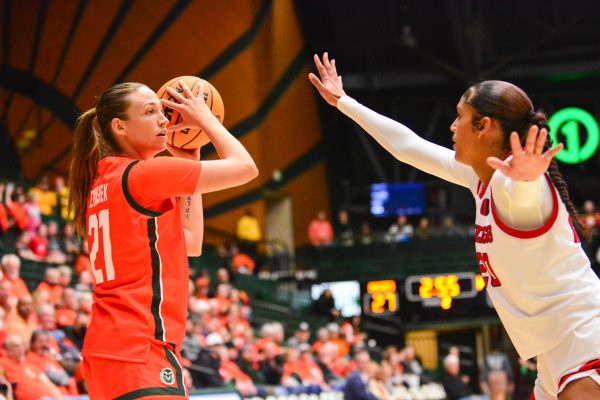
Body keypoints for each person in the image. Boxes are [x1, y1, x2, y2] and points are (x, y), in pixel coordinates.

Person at [309, 52, 600, 399]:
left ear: (484, 126)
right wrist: (345, 102)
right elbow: (408, 146)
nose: (451, 126)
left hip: (583, 338)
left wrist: (527, 180)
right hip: (554, 351)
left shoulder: (516, 186)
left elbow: (523, 197)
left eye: (460, 116)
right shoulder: (480, 178)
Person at [67, 80, 257, 398]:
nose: (164, 119)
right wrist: (206, 120)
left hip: (107, 354)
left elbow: (191, 242)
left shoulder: (105, 182)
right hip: (140, 350)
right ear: (120, 127)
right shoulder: (142, 175)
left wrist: (192, 161)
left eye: (161, 110)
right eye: (150, 111)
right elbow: (245, 168)